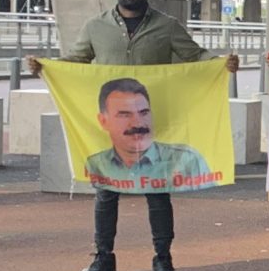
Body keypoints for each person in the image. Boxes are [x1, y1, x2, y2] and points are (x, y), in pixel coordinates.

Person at [32, 0, 227, 271]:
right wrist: (46, 66)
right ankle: (103, 258)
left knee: (158, 193)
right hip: (112, 133)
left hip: (153, 125)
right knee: (106, 194)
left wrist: (221, 64)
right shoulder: (96, 27)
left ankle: (163, 260)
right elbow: (76, 60)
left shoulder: (167, 26)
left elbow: (195, 56)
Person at [80, 78, 217, 192]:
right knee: (106, 202)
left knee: (159, 204)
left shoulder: (186, 160)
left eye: (144, 113)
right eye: (125, 115)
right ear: (103, 121)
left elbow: (207, 204)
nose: (138, 124)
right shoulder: (94, 165)